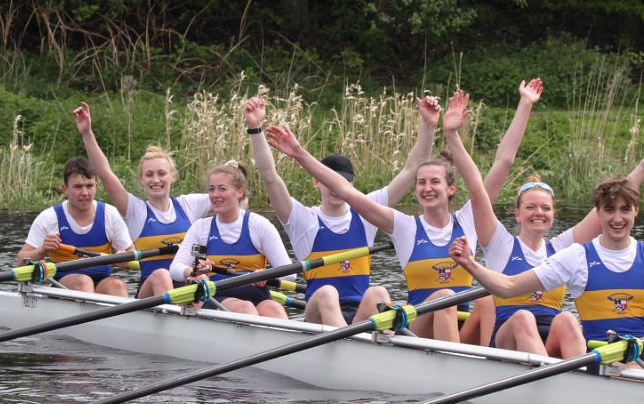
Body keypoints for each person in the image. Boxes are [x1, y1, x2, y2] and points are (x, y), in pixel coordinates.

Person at [267, 85, 542, 343]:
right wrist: (300, 154)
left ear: (451, 189)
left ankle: (488, 366)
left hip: (461, 325)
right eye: (421, 183)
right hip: (419, 326)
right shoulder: (405, 227)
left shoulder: (469, 219)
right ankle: (458, 370)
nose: (427, 188)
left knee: (485, 299)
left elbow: (503, 163)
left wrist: (525, 104)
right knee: (443, 296)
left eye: (435, 182)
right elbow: (346, 190)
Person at [444, 81, 644, 359]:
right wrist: (454, 134)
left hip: (548, 340)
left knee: (567, 319)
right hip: (509, 338)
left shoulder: (563, 248)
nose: (539, 213)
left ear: (553, 214)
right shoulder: (498, 242)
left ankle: (577, 382)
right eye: (531, 207)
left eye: (545, 208)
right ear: (517, 214)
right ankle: (554, 382)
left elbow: (614, 198)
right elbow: (495, 169)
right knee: (522, 317)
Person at [449, 174, 644, 374]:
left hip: (642, 351)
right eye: (609, 210)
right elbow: (508, 286)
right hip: (599, 352)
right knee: (552, 318)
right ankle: (568, 385)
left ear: (635, 213)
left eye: (624, 210)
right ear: (598, 214)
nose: (617, 218)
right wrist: (470, 264)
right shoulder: (575, 256)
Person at [244, 92, 438, 326]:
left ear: (352, 185)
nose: (336, 188)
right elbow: (270, 177)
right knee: (328, 292)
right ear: (317, 181)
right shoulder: (303, 220)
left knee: (379, 293)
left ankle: (367, 344)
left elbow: (412, 169)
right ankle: (353, 348)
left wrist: (428, 126)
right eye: (328, 180)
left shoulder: (366, 214)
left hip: (359, 316)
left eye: (343, 182)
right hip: (318, 313)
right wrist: (256, 129)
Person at [74, 102, 210, 297]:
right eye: (149, 174)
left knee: (204, 278)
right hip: (151, 291)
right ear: (142, 179)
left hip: (186, 288)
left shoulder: (189, 205)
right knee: (162, 275)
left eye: (161, 173)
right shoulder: (136, 211)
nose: (155, 180)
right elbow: (104, 174)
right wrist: (87, 133)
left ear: (173, 176)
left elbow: (229, 201)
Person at [169, 161, 291, 318]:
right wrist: (194, 271)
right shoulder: (201, 229)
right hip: (216, 296)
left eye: (222, 189)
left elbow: (289, 274)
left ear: (239, 192)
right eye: (211, 189)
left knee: (276, 310)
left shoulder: (259, 225)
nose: (215, 195)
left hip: (258, 295)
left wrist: (268, 275)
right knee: (246, 309)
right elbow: (175, 268)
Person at [16, 156, 134, 296]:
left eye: (89, 186)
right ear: (65, 189)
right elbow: (20, 263)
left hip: (102, 280)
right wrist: (42, 250)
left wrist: (125, 257)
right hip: (63, 283)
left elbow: (132, 253)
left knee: (118, 285)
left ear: (96, 187)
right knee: (83, 282)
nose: (84, 193)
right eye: (78, 187)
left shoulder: (110, 215)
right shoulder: (49, 218)